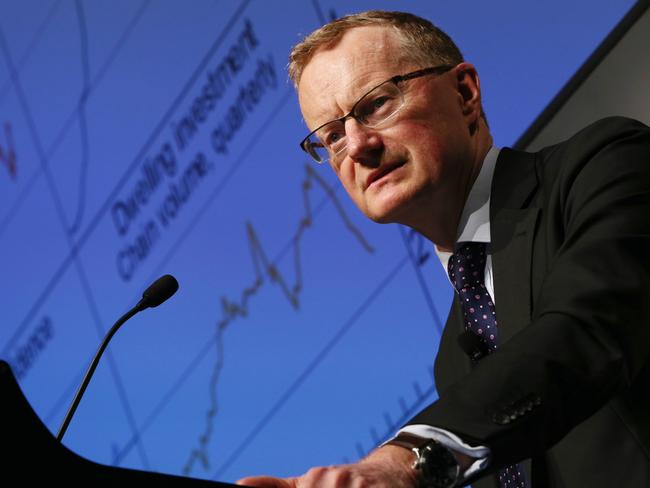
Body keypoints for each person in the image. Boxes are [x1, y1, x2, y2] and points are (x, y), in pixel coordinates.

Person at [237, 10, 650, 488]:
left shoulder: (606, 164)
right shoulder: (454, 359)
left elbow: (590, 331)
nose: (356, 146)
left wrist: (408, 460)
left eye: (375, 105)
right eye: (331, 136)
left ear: (465, 94)